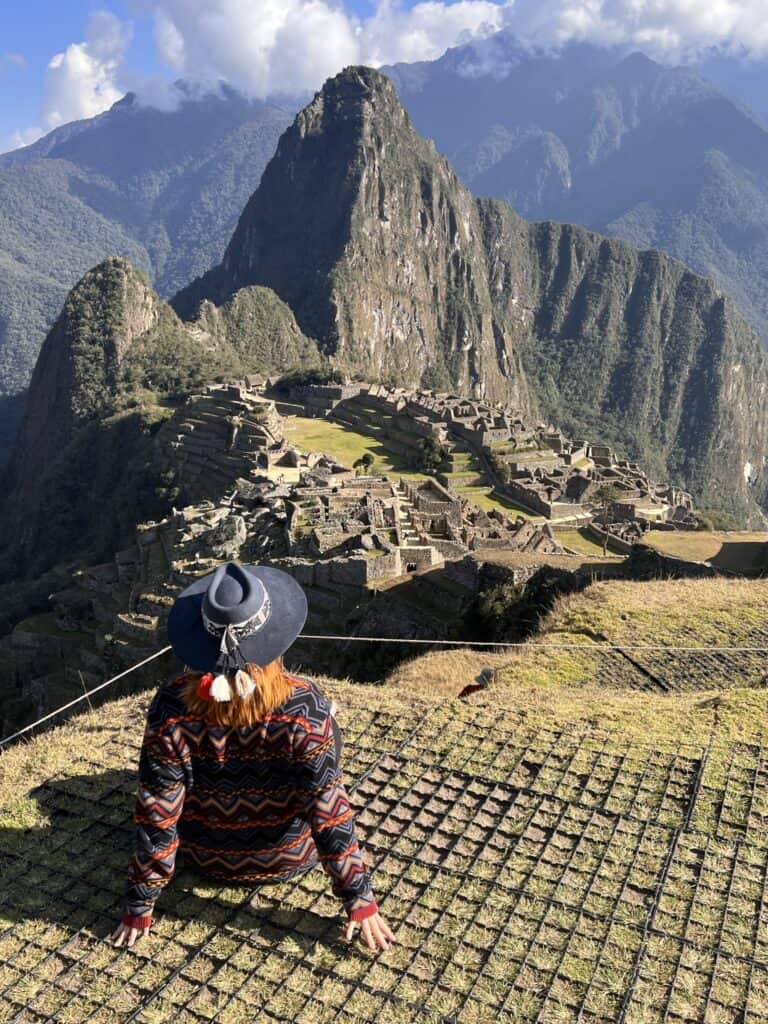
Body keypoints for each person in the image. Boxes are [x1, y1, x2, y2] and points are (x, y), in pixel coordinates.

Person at [110, 561, 395, 953]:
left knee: (161, 779)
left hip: (204, 857)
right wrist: (359, 899)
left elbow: (158, 815)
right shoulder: (304, 707)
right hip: (286, 857)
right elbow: (329, 810)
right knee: (326, 738)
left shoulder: (171, 707)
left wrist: (140, 904)